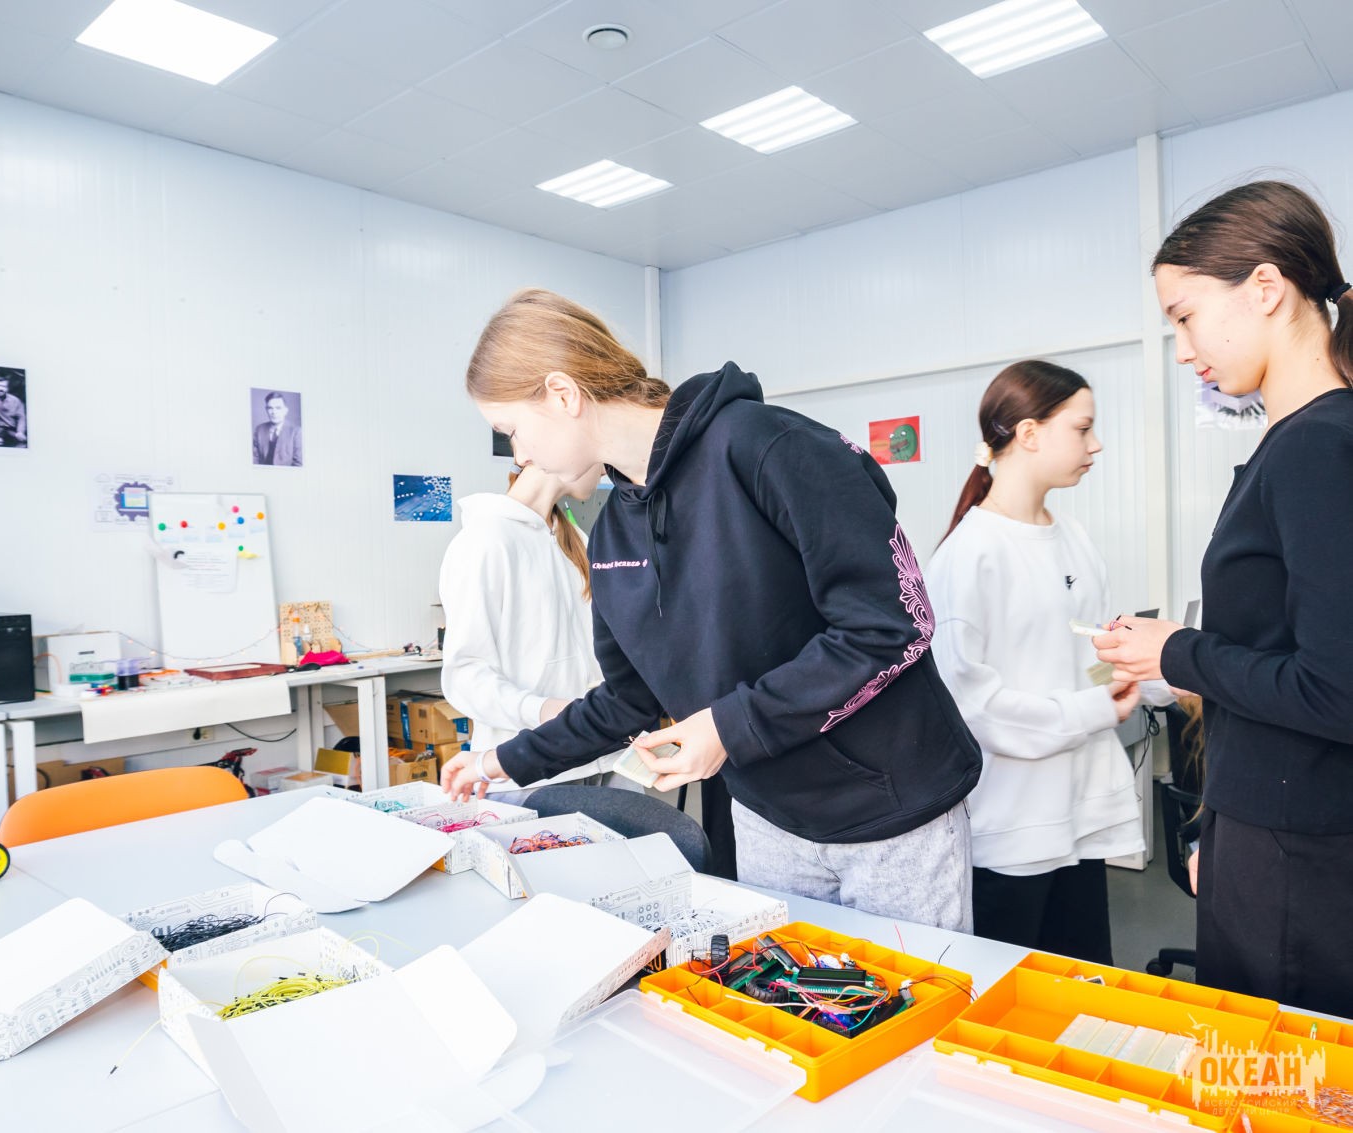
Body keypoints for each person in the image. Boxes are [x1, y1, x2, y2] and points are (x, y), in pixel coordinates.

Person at [441, 288, 982, 929]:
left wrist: (727, 727)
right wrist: (500, 762)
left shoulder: (769, 447)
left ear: (562, 395)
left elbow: (893, 624)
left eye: (511, 431)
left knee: (918, 989)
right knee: (783, 992)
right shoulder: (614, 533)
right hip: (766, 818)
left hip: (891, 812)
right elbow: (627, 702)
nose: (519, 456)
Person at [1095, 180, 1353, 1016]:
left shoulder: (1317, 448)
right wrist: (1222, 823)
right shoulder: (1297, 444)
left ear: (1266, 287)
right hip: (1268, 828)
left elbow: (1337, 689)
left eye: (1185, 316)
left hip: (1300, 853)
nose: (1182, 350)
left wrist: (1176, 650)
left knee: (1277, 1077)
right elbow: (1283, 655)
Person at [926, 361, 1171, 964]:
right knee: (1010, 996)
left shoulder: (1074, 538)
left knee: (1080, 989)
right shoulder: (970, 555)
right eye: (1082, 429)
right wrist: (1096, 708)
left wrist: (1145, 679)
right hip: (1011, 830)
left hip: (1079, 817)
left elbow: (1084, 659)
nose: (1096, 444)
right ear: (1029, 434)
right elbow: (973, 707)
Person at [438, 462, 618, 795]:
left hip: (607, 758)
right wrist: (543, 709)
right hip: (530, 772)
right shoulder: (484, 541)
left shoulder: (576, 538)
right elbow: (465, 676)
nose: (606, 469)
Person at [253, 391, 302, 466]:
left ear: (285, 411)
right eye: (270, 408)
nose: (274, 412)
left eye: (278, 408)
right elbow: (254, 459)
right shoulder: (259, 430)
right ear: (266, 410)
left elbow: (298, 464)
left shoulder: (296, 432)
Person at [0, 374, 26, 446]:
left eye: (4, 386)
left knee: (22, 442)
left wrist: (20, 432)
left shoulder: (16, 401)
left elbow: (21, 418)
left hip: (10, 430)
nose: (1, 389)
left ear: (8, 388)